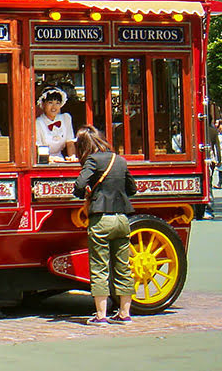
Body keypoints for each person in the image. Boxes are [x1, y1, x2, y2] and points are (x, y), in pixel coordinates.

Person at [72, 125, 136, 325]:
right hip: (122, 219)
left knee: (100, 267)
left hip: (101, 219)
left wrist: (88, 194)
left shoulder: (92, 160)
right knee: (123, 267)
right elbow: (132, 189)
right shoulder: (120, 160)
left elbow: (79, 186)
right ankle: (125, 314)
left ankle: (101, 316)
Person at [35, 86, 77, 162]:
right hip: (45, 163)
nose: (54, 107)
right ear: (43, 104)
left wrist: (72, 158)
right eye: (50, 103)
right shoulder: (38, 123)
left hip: (61, 161)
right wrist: (51, 159)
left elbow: (70, 143)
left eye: (57, 103)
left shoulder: (66, 118)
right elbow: (39, 150)